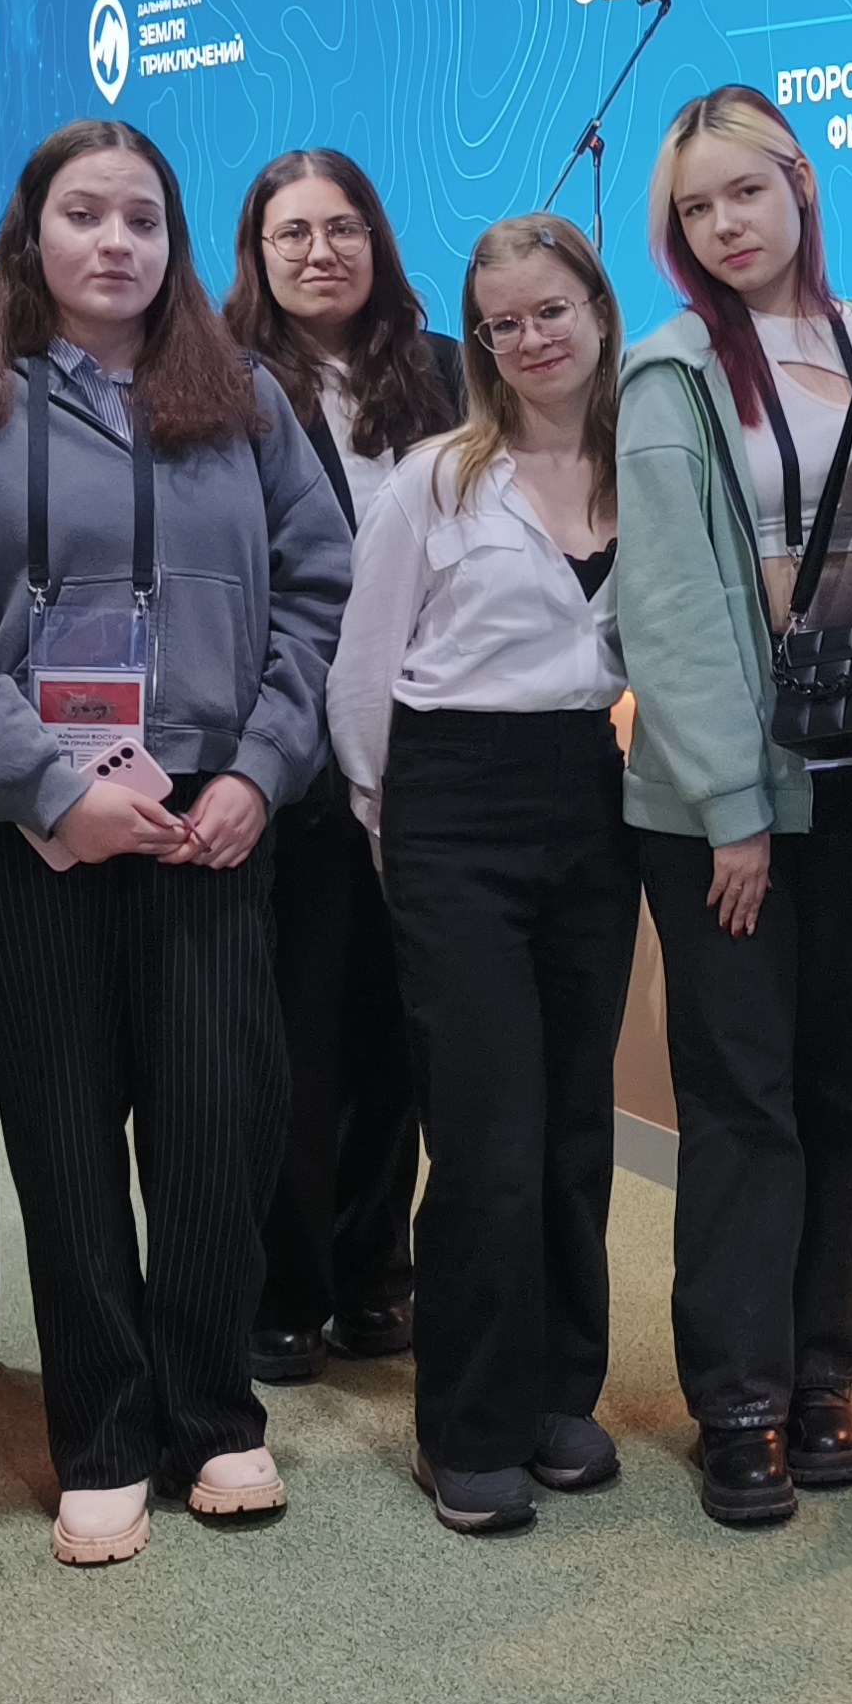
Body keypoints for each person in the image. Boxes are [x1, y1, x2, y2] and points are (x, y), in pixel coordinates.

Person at [0, 118, 351, 1567]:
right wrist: (44, 787)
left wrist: (263, 769)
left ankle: (211, 1409)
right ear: (32, 233)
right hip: (27, 818)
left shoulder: (244, 395)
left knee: (213, 1118)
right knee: (65, 1128)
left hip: (209, 809)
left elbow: (320, 592)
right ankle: (103, 1429)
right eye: (85, 213)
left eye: (143, 216)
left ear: (174, 241)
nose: (116, 241)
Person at [612, 85, 852, 1528]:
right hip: (723, 809)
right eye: (696, 207)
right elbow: (667, 608)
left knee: (846, 1091)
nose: (726, 223)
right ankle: (738, 1396)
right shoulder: (667, 374)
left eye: (746, 191)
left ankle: (824, 1371)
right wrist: (734, 805)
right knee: (743, 1099)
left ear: (801, 182)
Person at [326, 213, 634, 1537]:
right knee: (488, 1136)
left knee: (573, 1128)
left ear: (599, 308)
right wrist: (392, 829)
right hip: (451, 804)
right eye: (501, 322)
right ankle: (466, 1423)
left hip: (591, 798)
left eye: (550, 309)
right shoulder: (435, 481)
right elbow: (359, 676)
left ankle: (560, 1391)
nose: (529, 338)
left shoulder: (650, 467)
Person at [223, 149, 464, 1382]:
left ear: (378, 239)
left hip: (434, 749)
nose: (322, 252)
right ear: (256, 254)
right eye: (294, 233)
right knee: (296, 1036)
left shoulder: (448, 374)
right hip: (292, 752)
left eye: (344, 228)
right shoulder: (220, 379)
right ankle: (284, 1287)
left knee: (399, 1035)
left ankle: (378, 1273)